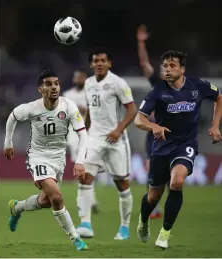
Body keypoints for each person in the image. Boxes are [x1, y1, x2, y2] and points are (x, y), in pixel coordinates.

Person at [134, 50, 222, 249]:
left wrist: (215, 125)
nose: (167, 69)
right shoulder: (157, 91)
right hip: (161, 148)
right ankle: (144, 220)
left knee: (177, 181)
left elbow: (219, 98)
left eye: (172, 65)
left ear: (182, 69)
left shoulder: (198, 85)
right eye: (165, 66)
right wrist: (154, 126)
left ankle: (164, 234)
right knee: (153, 196)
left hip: (185, 145)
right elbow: (139, 119)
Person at [4, 70, 88, 251]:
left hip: (59, 157)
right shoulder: (32, 108)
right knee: (57, 197)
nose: (54, 87)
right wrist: (8, 143)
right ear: (40, 89)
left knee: (46, 201)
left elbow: (83, 135)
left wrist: (80, 161)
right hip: (38, 156)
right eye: (48, 84)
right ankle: (76, 238)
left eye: (56, 83)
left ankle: (17, 207)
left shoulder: (68, 106)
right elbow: (13, 116)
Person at [76, 50, 137, 240]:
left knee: (122, 184)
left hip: (115, 139)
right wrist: (83, 134)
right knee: (84, 177)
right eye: (96, 61)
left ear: (109, 63)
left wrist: (118, 130)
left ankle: (124, 228)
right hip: (94, 138)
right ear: (92, 64)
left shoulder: (118, 83)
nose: (99, 63)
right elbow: (89, 113)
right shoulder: (88, 83)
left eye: (103, 60)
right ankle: (86, 224)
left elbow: (132, 109)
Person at [62, 69, 100, 214]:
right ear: (74, 79)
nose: (80, 79)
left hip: (89, 133)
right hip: (73, 136)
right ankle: (89, 200)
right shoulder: (68, 95)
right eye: (78, 77)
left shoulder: (91, 94)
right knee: (82, 167)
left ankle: (88, 200)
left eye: (82, 77)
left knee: (85, 167)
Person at [137, 24, 162, 219]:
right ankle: (153, 207)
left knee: (171, 174)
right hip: (153, 134)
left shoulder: (186, 88)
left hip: (174, 135)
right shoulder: (159, 85)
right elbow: (145, 64)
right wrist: (141, 43)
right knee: (151, 169)